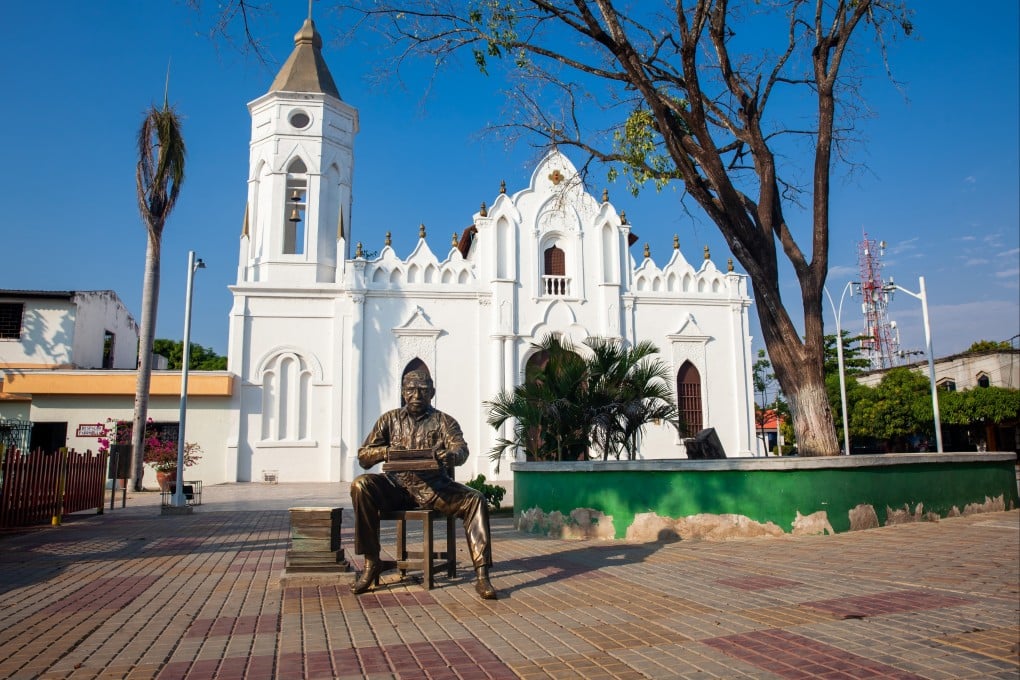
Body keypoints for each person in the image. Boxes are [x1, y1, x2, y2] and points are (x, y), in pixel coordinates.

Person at [350, 368, 498, 600]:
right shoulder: (389, 420)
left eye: (423, 390)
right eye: (411, 390)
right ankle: (371, 562)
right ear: (402, 392)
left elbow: (461, 448)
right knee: (361, 485)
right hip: (395, 488)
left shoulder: (444, 421)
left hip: (434, 489)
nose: (417, 395)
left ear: (432, 392)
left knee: (475, 499)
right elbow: (363, 457)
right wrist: (385, 451)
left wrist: (452, 456)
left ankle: (482, 575)